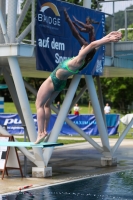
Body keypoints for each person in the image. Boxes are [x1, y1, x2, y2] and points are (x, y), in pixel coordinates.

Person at [35, 31, 122, 144]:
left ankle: (40, 132)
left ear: (84, 52)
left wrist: (108, 40)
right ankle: (45, 131)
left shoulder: (78, 60)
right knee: (47, 105)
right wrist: (108, 36)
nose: (81, 49)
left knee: (39, 105)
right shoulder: (84, 61)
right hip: (61, 83)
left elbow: (91, 45)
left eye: (82, 48)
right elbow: (95, 46)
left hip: (53, 80)